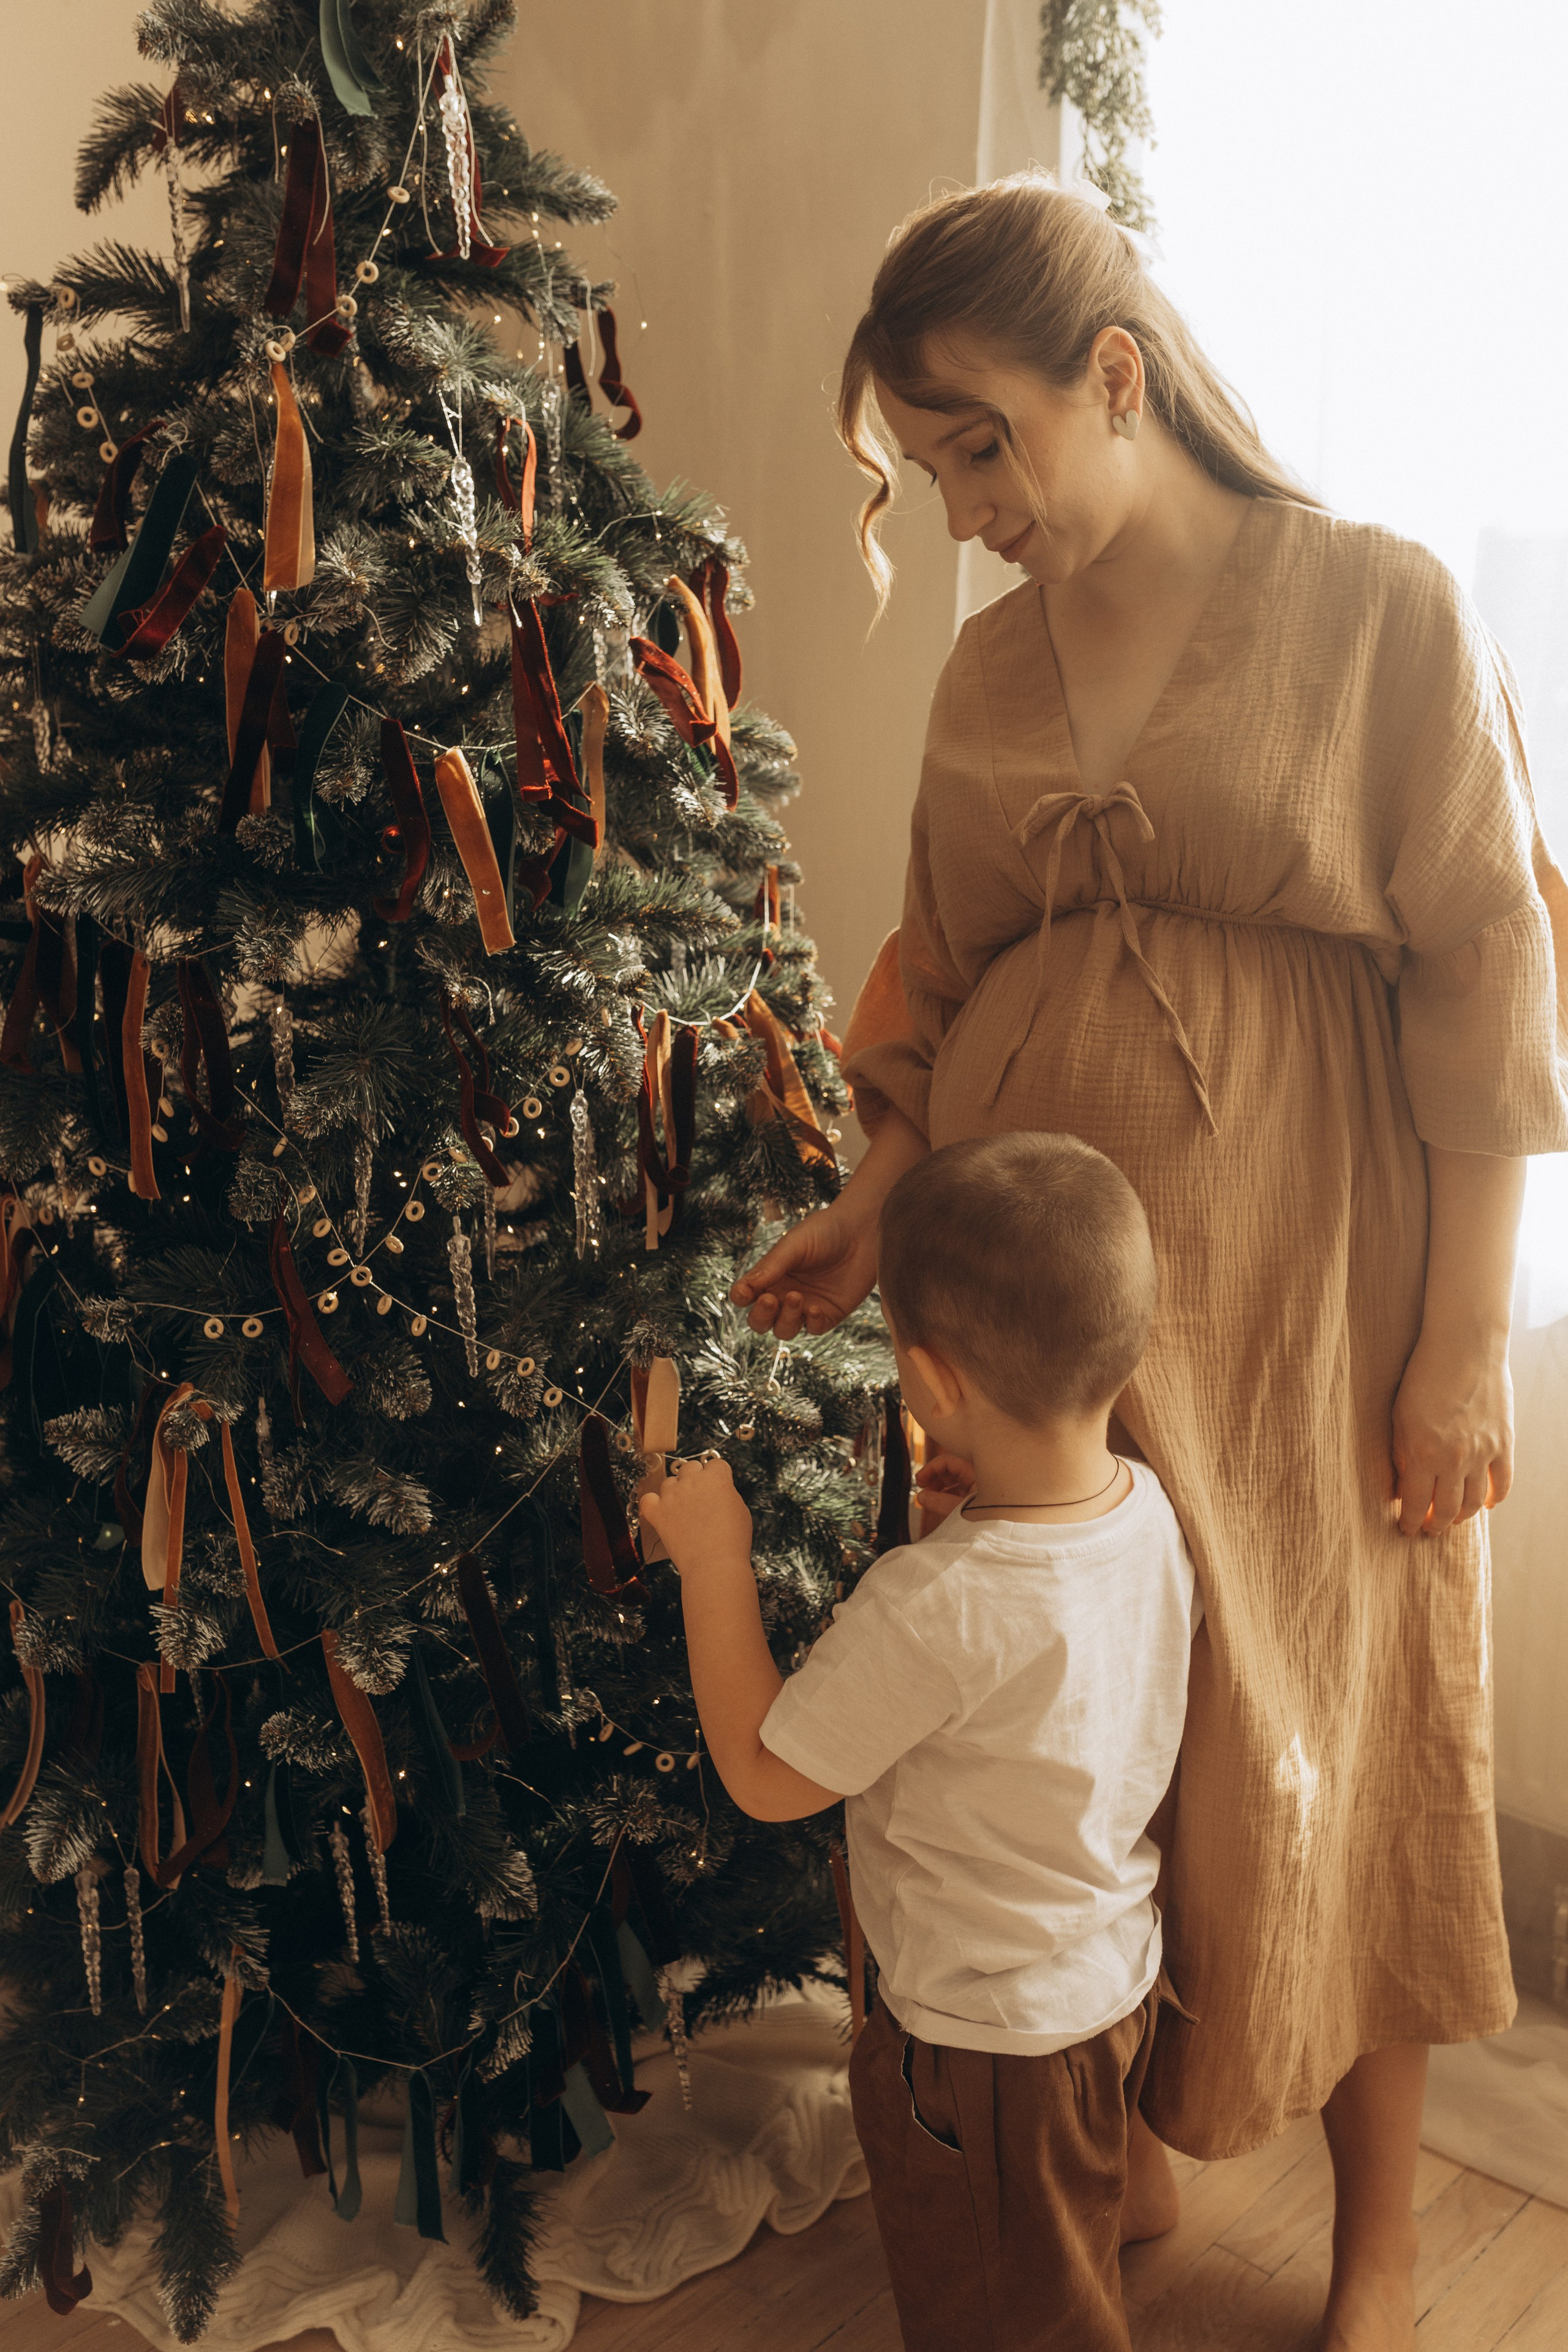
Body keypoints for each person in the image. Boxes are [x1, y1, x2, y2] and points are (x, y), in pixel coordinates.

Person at [728, 175, 1568, 2352]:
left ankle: (1380, 2238)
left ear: (1119, 375)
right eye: (932, 471)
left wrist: (1464, 1336)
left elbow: (1490, 978)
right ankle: (1111, 2170)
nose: (969, 506)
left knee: (1344, 1712)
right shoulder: (992, 666)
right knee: (1073, 1744)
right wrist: (870, 1192)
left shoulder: (1379, 609)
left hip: (1309, 1272)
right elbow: (927, 973)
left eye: (985, 446)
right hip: (1032, 1297)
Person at [642, 1131, 1199, 2351]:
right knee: (1064, 2209)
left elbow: (764, 1773)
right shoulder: (1145, 1507)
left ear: (932, 1381)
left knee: (1003, 2319)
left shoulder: (936, 1600)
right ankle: (1108, 2231)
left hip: (985, 2050)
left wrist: (713, 1561)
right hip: (1105, 1979)